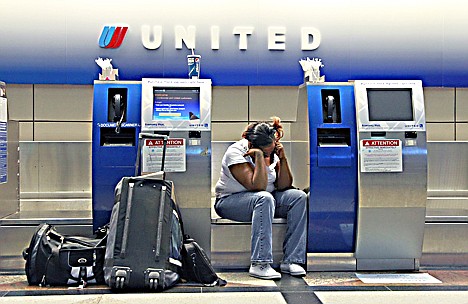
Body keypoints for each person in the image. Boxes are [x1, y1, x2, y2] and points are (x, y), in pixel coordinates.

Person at [214, 116, 307, 280]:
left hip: (266, 201)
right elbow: (257, 186)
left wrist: (282, 158)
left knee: (298, 197)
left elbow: (284, 185)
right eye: (266, 151)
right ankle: (260, 263)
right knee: (263, 198)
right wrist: (258, 157)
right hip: (230, 202)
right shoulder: (235, 152)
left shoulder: (272, 151)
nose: (270, 153)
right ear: (252, 146)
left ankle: (292, 260)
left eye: (272, 148)